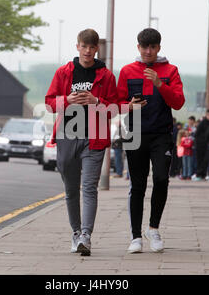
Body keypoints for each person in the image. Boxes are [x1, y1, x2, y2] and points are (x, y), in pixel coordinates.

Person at [45, 28, 118, 256]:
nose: (87, 51)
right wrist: (66, 99)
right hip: (67, 135)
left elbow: (114, 108)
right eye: (83, 46)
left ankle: (86, 236)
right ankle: (76, 233)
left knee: (89, 188)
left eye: (91, 47)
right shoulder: (64, 72)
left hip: (94, 137)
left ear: (97, 49)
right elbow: (49, 104)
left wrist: (96, 100)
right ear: (77, 46)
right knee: (70, 189)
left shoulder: (106, 76)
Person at [117, 28, 185, 253]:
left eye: (152, 47)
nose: (148, 51)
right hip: (135, 134)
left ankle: (153, 229)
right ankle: (135, 237)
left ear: (158, 48)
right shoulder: (127, 71)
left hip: (161, 135)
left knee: (161, 179)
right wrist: (129, 106)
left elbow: (178, 103)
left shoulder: (170, 70)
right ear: (138, 47)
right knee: (137, 185)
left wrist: (159, 84)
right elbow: (116, 103)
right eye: (144, 47)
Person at [192, 109, 209, 181]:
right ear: (206, 115)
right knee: (199, 159)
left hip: (207, 144)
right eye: (208, 115)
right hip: (200, 144)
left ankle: (203, 173)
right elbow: (197, 133)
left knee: (205, 160)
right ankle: (199, 173)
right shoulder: (203, 122)